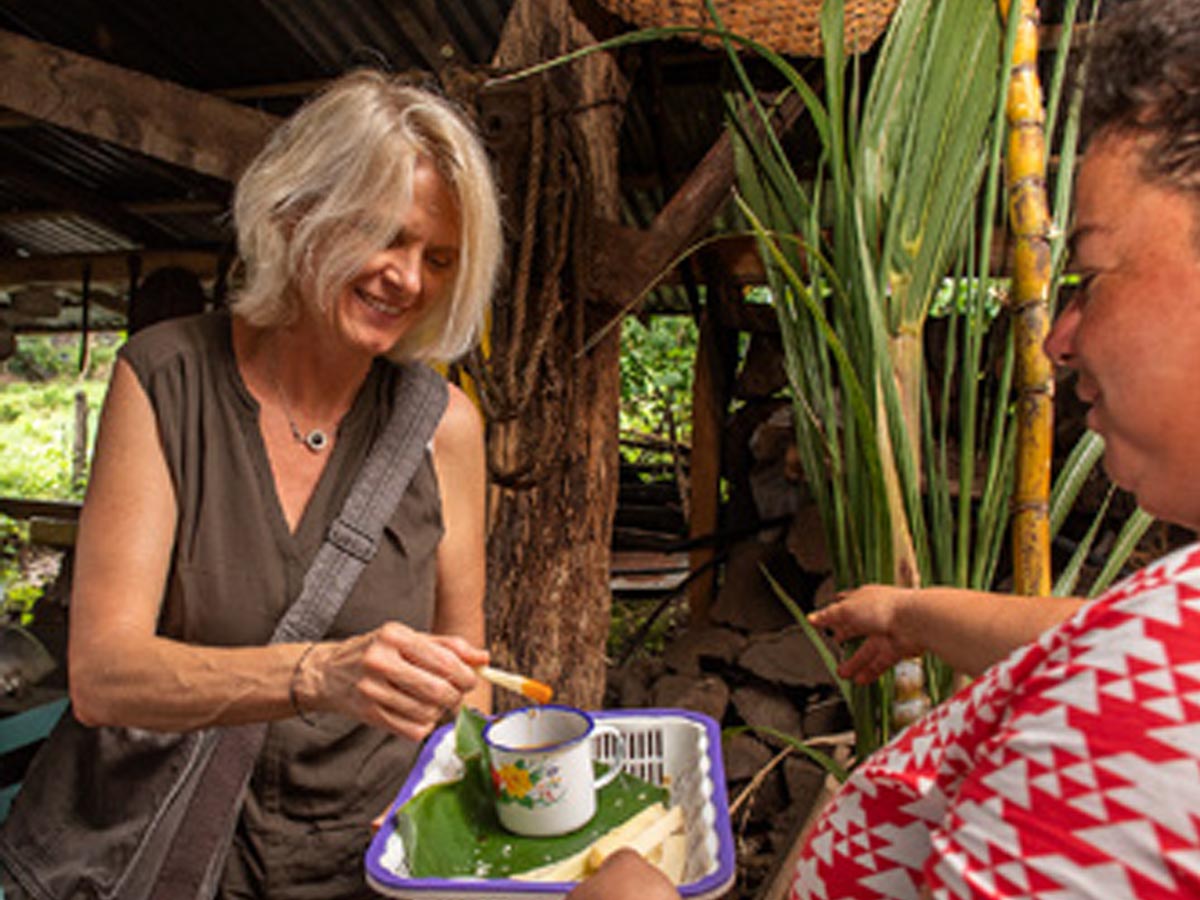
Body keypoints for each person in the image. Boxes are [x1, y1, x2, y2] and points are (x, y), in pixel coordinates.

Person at [0, 70, 502, 899]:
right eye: (384, 234)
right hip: (165, 851)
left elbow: (469, 673)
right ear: (299, 212)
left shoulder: (445, 426)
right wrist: (316, 674)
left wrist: (445, 795)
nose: (407, 279)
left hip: (361, 864)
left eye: (437, 259)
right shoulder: (164, 378)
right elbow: (101, 675)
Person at [789, 1, 1200, 896]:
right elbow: (1092, 640)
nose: (1060, 338)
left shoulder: (1148, 730)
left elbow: (1132, 677)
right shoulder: (1163, 650)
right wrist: (911, 611)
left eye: (1087, 275)